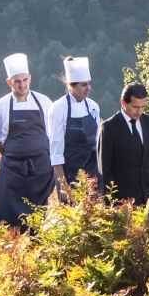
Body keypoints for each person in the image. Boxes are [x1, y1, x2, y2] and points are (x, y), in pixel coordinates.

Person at [0, 53, 56, 227]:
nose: (22, 84)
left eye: (25, 80)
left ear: (30, 78)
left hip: (40, 170)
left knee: (37, 216)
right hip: (12, 170)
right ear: (9, 82)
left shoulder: (44, 102)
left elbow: (52, 135)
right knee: (2, 212)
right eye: (17, 81)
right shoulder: (0, 106)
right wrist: (14, 154)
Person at [96, 82, 149, 217]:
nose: (139, 111)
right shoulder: (109, 127)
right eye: (135, 107)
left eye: (143, 106)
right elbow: (105, 169)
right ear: (123, 102)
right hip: (123, 202)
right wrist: (110, 203)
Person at [50, 56, 101, 198]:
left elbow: (98, 143)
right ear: (71, 85)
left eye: (89, 84)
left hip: (92, 170)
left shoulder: (93, 106)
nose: (88, 88)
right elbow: (56, 152)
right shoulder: (59, 108)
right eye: (83, 85)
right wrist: (65, 187)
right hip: (70, 172)